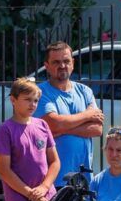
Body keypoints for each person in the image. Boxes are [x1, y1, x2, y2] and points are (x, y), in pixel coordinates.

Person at [34, 41, 104, 180]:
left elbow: (97, 129)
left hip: (83, 180)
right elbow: (53, 124)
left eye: (66, 61)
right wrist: (87, 115)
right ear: (46, 66)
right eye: (56, 62)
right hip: (52, 180)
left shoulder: (85, 91)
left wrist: (62, 129)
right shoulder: (41, 93)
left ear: (72, 63)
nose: (62, 66)